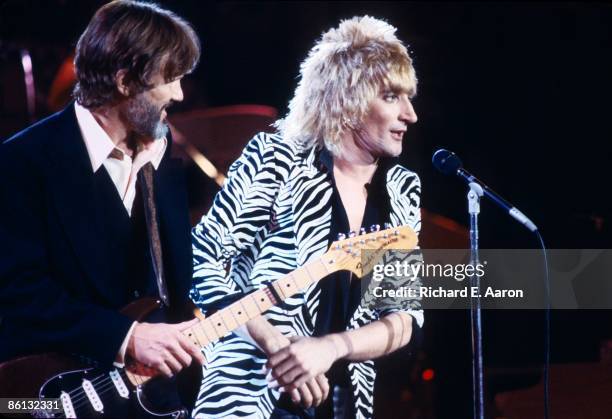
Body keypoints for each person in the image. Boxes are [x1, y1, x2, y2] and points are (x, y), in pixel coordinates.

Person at [191, 16, 423, 418]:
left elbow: (404, 317)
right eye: (391, 97)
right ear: (347, 100)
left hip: (340, 403)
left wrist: (331, 348)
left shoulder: (401, 190)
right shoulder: (277, 159)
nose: (410, 114)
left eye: (409, 97)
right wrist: (280, 349)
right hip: (248, 395)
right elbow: (203, 258)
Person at [0, 0, 205, 392]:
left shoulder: (161, 158)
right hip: (40, 397)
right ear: (125, 81)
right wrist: (125, 337)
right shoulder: (21, 162)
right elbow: (19, 293)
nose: (180, 94)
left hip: (143, 398)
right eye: (170, 78)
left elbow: (175, 289)